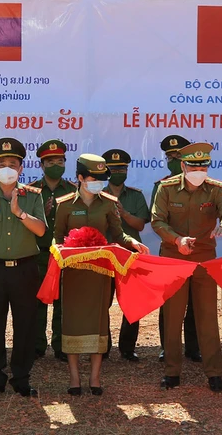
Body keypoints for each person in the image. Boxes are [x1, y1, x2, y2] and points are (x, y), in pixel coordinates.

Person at [54, 154, 148, 396]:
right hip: (74, 272)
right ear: (80, 178)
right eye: (93, 179)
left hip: (100, 271)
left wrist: (133, 244)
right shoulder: (64, 204)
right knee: (72, 320)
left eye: (101, 179)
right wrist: (61, 252)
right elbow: (57, 238)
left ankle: (95, 377)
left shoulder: (108, 203)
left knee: (99, 319)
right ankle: (74, 378)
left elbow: (118, 234)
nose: (97, 184)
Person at [152, 142, 222, 392]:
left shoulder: (215, 189)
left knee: (207, 316)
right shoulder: (166, 188)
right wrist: (177, 240)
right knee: (173, 316)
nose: (199, 170)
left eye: (203, 166)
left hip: (203, 260)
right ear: (183, 166)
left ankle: (214, 373)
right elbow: (157, 221)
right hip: (174, 258)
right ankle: (172, 372)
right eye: (193, 166)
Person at [0, 138, 47, 398]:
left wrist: (20, 213)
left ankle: (21, 377)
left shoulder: (33, 195)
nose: (6, 168)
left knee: (25, 324)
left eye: (12, 164)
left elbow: (41, 230)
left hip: (24, 269)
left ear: (21, 169)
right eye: (1, 163)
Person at [152, 134, 199, 363]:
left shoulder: (203, 185)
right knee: (169, 302)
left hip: (197, 251)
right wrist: (176, 240)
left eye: (177, 155)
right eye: (169, 156)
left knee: (195, 300)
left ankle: (193, 347)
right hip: (171, 252)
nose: (173, 159)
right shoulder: (161, 187)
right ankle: (167, 347)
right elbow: (157, 221)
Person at [29, 139, 76, 361]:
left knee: (64, 302)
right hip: (38, 254)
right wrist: (44, 214)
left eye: (60, 160)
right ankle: (37, 344)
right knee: (37, 302)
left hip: (64, 255)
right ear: (42, 165)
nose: (56, 164)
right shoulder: (32, 191)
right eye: (50, 161)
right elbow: (25, 224)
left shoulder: (73, 190)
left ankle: (60, 345)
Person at [102, 148, 150, 361]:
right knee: (102, 302)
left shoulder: (136, 196)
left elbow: (140, 224)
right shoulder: (97, 194)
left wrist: (123, 213)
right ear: (106, 171)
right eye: (113, 169)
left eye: (122, 168)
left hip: (130, 253)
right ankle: (103, 347)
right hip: (104, 254)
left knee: (132, 303)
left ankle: (128, 348)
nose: (118, 172)